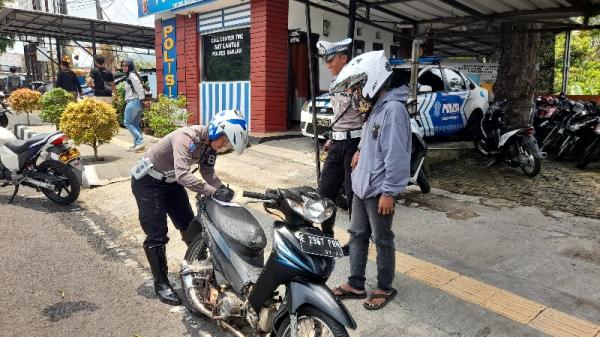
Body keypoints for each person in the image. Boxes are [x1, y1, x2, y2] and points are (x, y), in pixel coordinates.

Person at [130, 109, 249, 305]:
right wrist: (211, 191)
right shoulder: (186, 138)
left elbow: (208, 172)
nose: (224, 145)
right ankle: (161, 283)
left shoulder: (210, 146)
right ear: (216, 132)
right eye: (225, 140)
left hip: (170, 182)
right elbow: (183, 175)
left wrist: (221, 189)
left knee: (189, 225)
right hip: (147, 182)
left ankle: (199, 268)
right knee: (157, 233)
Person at [330, 51, 411, 311]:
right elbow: (371, 141)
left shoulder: (394, 110)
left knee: (382, 238)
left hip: (378, 190)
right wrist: (359, 151)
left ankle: (385, 287)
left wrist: (389, 192)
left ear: (374, 81)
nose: (355, 92)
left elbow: (396, 154)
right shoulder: (377, 109)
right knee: (356, 235)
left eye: (358, 86)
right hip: (362, 186)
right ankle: (356, 283)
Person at [315, 38, 363, 255]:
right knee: (325, 193)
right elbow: (338, 116)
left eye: (331, 60)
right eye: (326, 61)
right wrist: (331, 138)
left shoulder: (358, 82)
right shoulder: (335, 84)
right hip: (337, 143)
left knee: (353, 197)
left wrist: (363, 148)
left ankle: (356, 241)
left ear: (344, 58)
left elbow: (368, 116)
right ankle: (326, 236)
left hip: (355, 143)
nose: (328, 65)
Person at [121, 59, 145, 151]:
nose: (124, 68)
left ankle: (140, 142)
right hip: (136, 102)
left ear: (130, 66)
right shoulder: (131, 75)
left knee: (127, 122)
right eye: (123, 66)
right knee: (134, 124)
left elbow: (138, 87)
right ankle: (138, 145)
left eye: (126, 66)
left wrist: (142, 98)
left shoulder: (131, 75)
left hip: (133, 101)